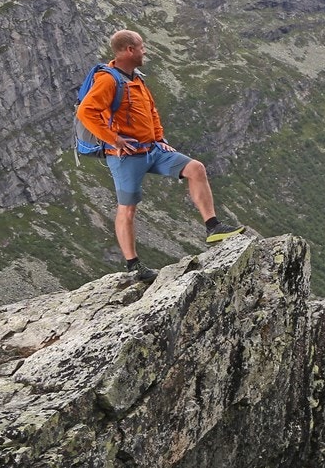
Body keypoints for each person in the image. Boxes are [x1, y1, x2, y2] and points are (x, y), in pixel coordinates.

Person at [75, 29, 242, 282]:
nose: (145, 51)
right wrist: (114, 139)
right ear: (129, 50)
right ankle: (134, 267)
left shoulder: (136, 78)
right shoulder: (108, 80)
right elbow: (86, 112)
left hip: (152, 149)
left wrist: (160, 139)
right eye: (142, 47)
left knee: (195, 168)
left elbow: (150, 110)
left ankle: (213, 227)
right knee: (127, 208)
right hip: (125, 156)